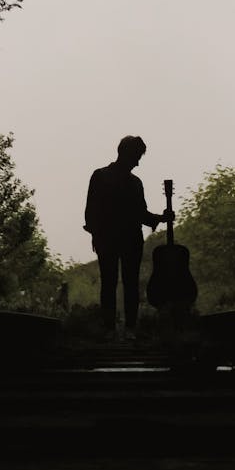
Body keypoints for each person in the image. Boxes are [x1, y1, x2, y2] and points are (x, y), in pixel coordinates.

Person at [83, 135, 172, 341]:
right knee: (127, 283)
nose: (138, 162)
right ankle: (127, 328)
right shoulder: (131, 182)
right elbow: (141, 214)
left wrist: (96, 235)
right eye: (137, 156)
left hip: (111, 239)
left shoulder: (102, 176)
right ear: (128, 154)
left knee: (111, 282)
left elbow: (91, 212)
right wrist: (160, 218)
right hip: (128, 239)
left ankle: (111, 329)